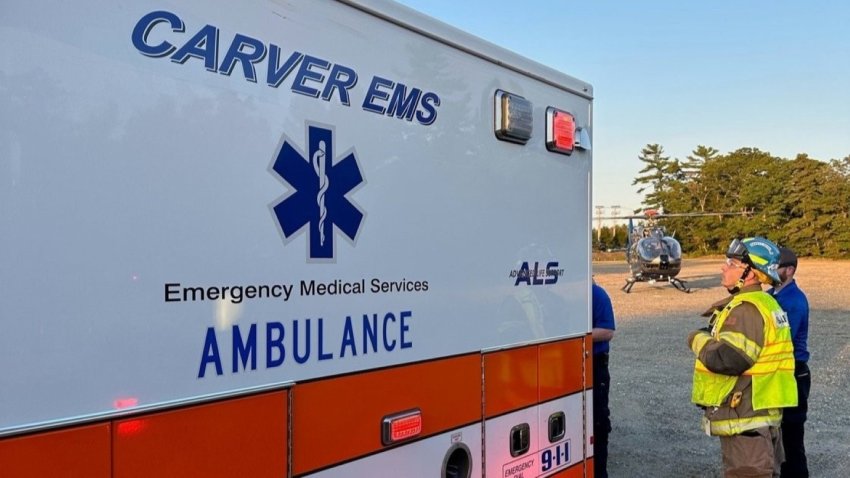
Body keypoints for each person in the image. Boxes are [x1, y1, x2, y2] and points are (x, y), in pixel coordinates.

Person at [687, 237, 797, 478]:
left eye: (732, 263)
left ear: (751, 273)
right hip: (755, 418)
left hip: (747, 422)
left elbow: (727, 359)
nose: (723, 267)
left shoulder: (748, 308)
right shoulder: (764, 302)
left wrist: (697, 338)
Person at [769, 247, 811, 478]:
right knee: (776, 436)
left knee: (791, 439)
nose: (771, 270)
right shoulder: (771, 295)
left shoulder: (794, 300)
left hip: (794, 374)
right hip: (780, 373)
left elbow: (783, 339)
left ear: (789, 270)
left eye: (776, 266)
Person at [592, 281, 616, 478]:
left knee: (598, 421)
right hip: (572, 366)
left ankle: (600, 473)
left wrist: (577, 336)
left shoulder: (598, 295)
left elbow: (608, 332)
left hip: (595, 366)